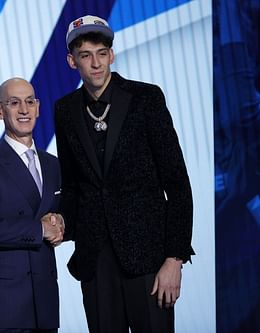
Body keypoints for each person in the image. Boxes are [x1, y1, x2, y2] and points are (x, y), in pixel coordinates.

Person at [54, 15, 194, 333]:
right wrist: (60, 222)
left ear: (112, 55)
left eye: (102, 53)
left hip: (148, 258)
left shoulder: (146, 99)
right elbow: (73, 186)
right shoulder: (64, 109)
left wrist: (175, 259)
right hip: (96, 259)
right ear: (71, 61)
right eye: (86, 55)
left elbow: (177, 183)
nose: (96, 63)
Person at [0, 78, 64, 333]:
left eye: (29, 102)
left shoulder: (53, 164)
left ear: (38, 108)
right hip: (1, 306)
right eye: (14, 103)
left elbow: (61, 214)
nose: (23, 109)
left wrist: (64, 223)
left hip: (44, 304)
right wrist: (39, 230)